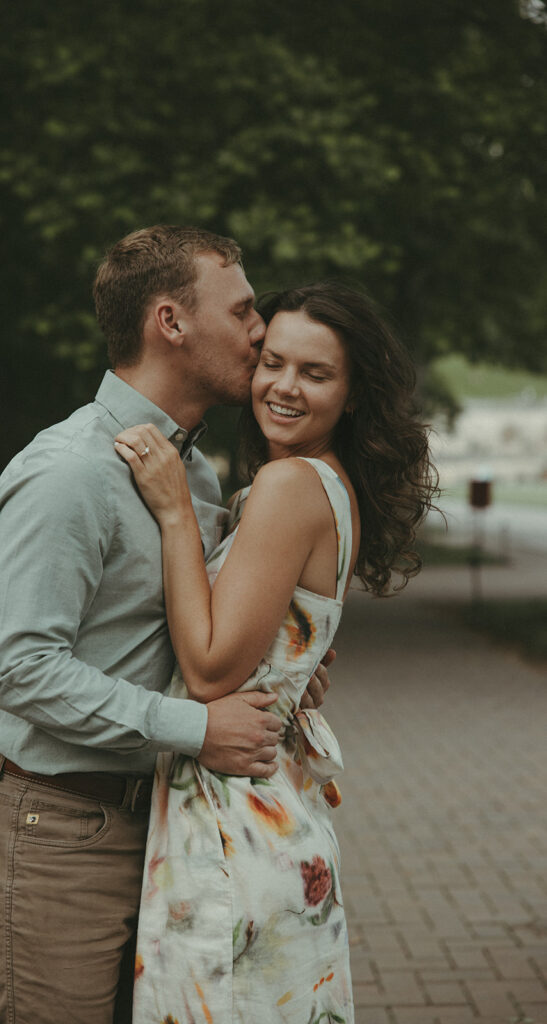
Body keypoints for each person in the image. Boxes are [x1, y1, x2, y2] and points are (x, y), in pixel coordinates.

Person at [0, 225, 333, 1024]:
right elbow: (18, 668)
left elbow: (181, 632)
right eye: (242, 310)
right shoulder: (70, 472)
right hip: (53, 833)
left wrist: (278, 666)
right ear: (170, 322)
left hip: (165, 826)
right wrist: (193, 725)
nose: (259, 330)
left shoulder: (189, 468)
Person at [115, 280, 438, 1023]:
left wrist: (172, 513)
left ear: (352, 394)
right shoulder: (330, 486)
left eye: (315, 373)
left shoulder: (291, 484)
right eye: (273, 363)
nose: (283, 387)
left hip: (235, 826)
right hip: (273, 817)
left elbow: (207, 670)